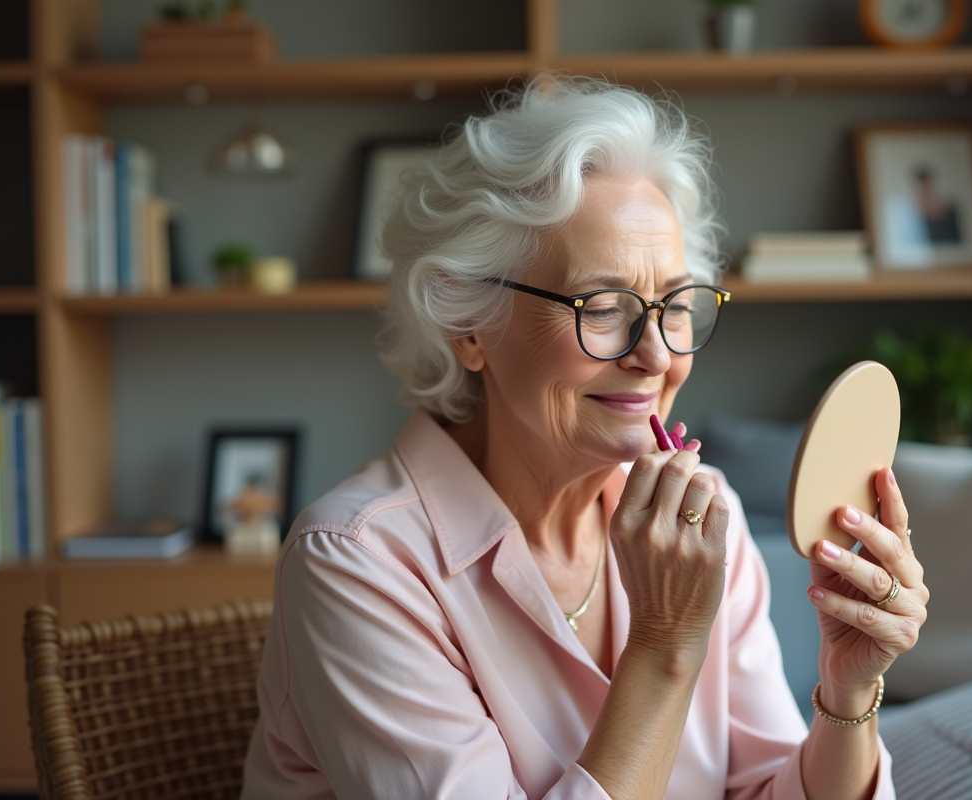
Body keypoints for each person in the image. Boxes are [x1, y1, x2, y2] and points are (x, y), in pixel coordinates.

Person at [241, 77, 928, 800]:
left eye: (674, 304)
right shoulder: (356, 562)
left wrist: (847, 692)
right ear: (467, 325)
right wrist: (663, 645)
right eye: (602, 307)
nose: (658, 356)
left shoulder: (697, 519)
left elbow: (763, 786)